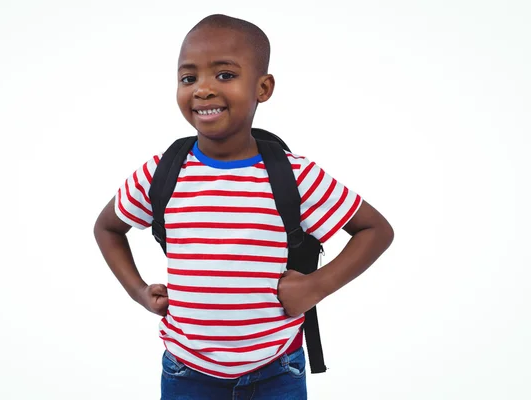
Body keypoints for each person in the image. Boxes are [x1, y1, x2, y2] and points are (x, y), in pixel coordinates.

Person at [94, 13, 394, 400]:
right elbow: (108, 227)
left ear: (263, 87)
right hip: (186, 371)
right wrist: (137, 290)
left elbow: (376, 231)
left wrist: (317, 286)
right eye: (189, 78)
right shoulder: (161, 171)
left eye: (224, 75)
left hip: (276, 370)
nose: (202, 90)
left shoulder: (294, 175)